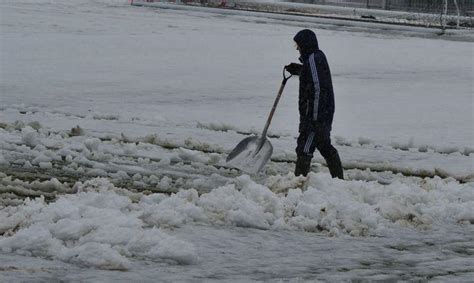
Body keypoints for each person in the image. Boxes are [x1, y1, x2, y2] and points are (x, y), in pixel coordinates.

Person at [285, 29, 344, 179]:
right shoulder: (314, 59)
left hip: (315, 116)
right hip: (319, 114)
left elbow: (318, 88)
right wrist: (299, 69)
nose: (297, 48)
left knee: (305, 147)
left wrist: (314, 120)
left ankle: (298, 183)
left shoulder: (313, 59)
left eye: (298, 45)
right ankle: (339, 181)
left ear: (305, 44)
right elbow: (313, 76)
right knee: (324, 145)